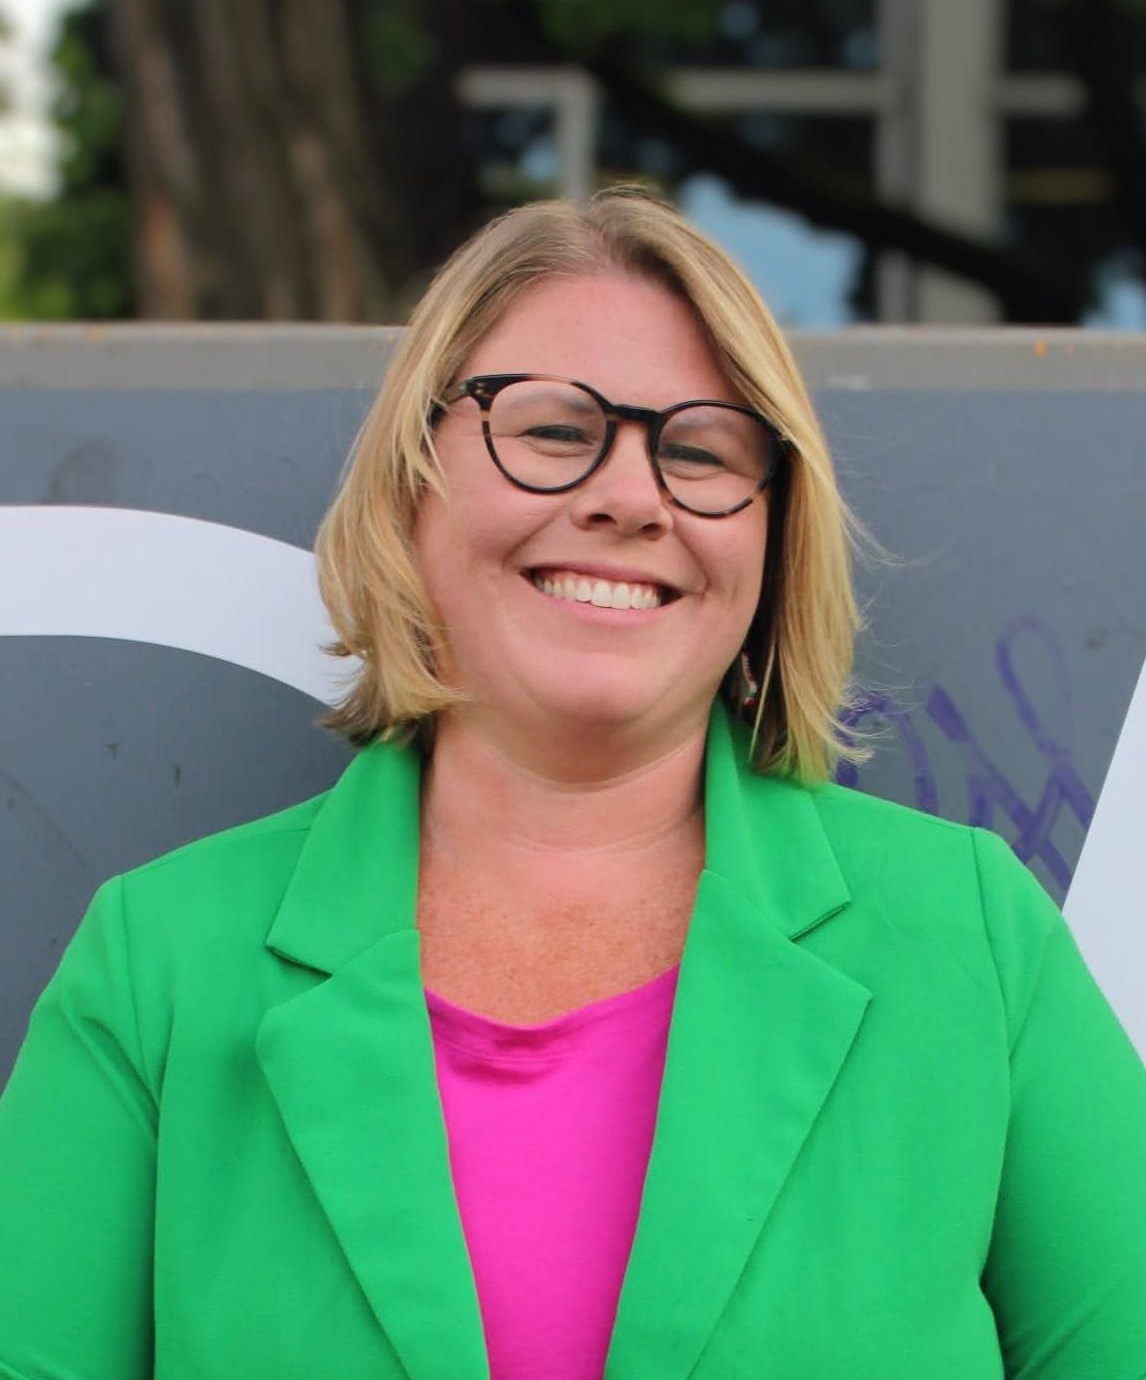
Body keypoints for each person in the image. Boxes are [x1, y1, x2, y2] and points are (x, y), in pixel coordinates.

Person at [0, 188, 1144, 1380]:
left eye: (701, 449)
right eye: (552, 430)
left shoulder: (972, 942)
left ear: (773, 535)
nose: (629, 496)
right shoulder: (160, 965)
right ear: (410, 483)